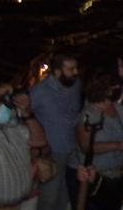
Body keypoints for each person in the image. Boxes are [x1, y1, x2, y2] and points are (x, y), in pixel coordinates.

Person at [67, 74, 123, 209]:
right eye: (114, 87)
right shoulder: (89, 114)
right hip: (90, 175)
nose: (118, 88)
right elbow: (85, 146)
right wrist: (117, 145)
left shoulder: (120, 109)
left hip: (115, 174)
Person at [30, 52, 82, 210]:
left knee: (66, 197)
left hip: (73, 149)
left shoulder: (76, 84)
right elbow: (25, 115)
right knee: (50, 198)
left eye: (76, 68)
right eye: (71, 69)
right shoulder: (40, 91)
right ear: (58, 71)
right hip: (52, 151)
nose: (75, 72)